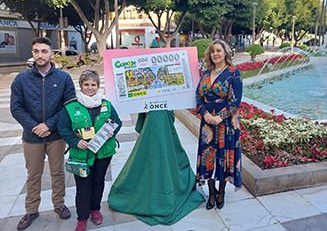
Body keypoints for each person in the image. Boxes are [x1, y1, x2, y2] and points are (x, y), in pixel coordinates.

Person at [108, 39, 204, 225]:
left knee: (164, 152)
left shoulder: (164, 78)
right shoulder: (148, 79)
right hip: (155, 120)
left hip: (161, 120)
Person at [10, 37, 75, 230]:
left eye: (44, 51)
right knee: (34, 174)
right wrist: (34, 127)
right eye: (37, 51)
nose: (40, 55)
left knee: (57, 172)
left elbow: (69, 105)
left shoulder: (64, 78)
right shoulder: (21, 79)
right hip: (32, 137)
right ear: (32, 54)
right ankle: (31, 210)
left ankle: (59, 204)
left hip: (55, 136)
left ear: (51, 54)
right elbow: (16, 108)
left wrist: (49, 125)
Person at [58, 69, 122, 231]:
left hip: (104, 153)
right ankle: (82, 218)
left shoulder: (106, 104)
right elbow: (63, 128)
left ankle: (95, 210)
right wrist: (75, 141)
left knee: (98, 182)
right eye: (86, 84)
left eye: (93, 84)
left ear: (98, 85)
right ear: (81, 85)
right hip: (81, 155)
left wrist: (111, 132)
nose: (90, 87)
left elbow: (117, 122)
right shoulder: (71, 107)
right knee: (83, 187)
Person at [195, 39, 243, 210]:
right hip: (207, 124)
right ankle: (211, 192)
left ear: (225, 53)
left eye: (218, 50)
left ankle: (221, 192)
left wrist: (219, 117)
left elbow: (235, 102)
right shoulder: (206, 74)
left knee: (223, 158)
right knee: (207, 157)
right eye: (212, 51)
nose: (215, 54)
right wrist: (206, 114)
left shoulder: (234, 72)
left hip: (226, 125)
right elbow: (198, 97)